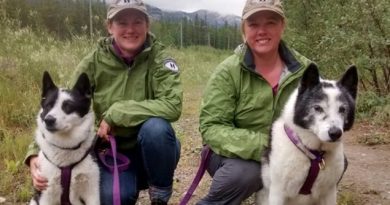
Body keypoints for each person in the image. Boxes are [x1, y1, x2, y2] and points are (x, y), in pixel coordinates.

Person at [24, 0, 182, 204]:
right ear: (110, 27)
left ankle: (159, 195)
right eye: (122, 23)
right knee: (111, 198)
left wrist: (118, 112)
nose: (130, 29)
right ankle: (126, 187)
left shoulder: (161, 60)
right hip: (110, 152)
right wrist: (34, 153)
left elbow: (173, 105)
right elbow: (59, 106)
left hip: (150, 149)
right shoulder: (93, 62)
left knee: (157, 129)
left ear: (147, 25)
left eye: (137, 22)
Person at [197, 0, 315, 204]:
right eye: (253, 24)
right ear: (244, 30)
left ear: (282, 26)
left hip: (293, 151)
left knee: (334, 163)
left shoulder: (306, 70)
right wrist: (269, 146)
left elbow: (320, 118)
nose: (262, 31)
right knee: (247, 173)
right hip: (233, 157)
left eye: (270, 22)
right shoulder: (227, 72)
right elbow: (211, 127)